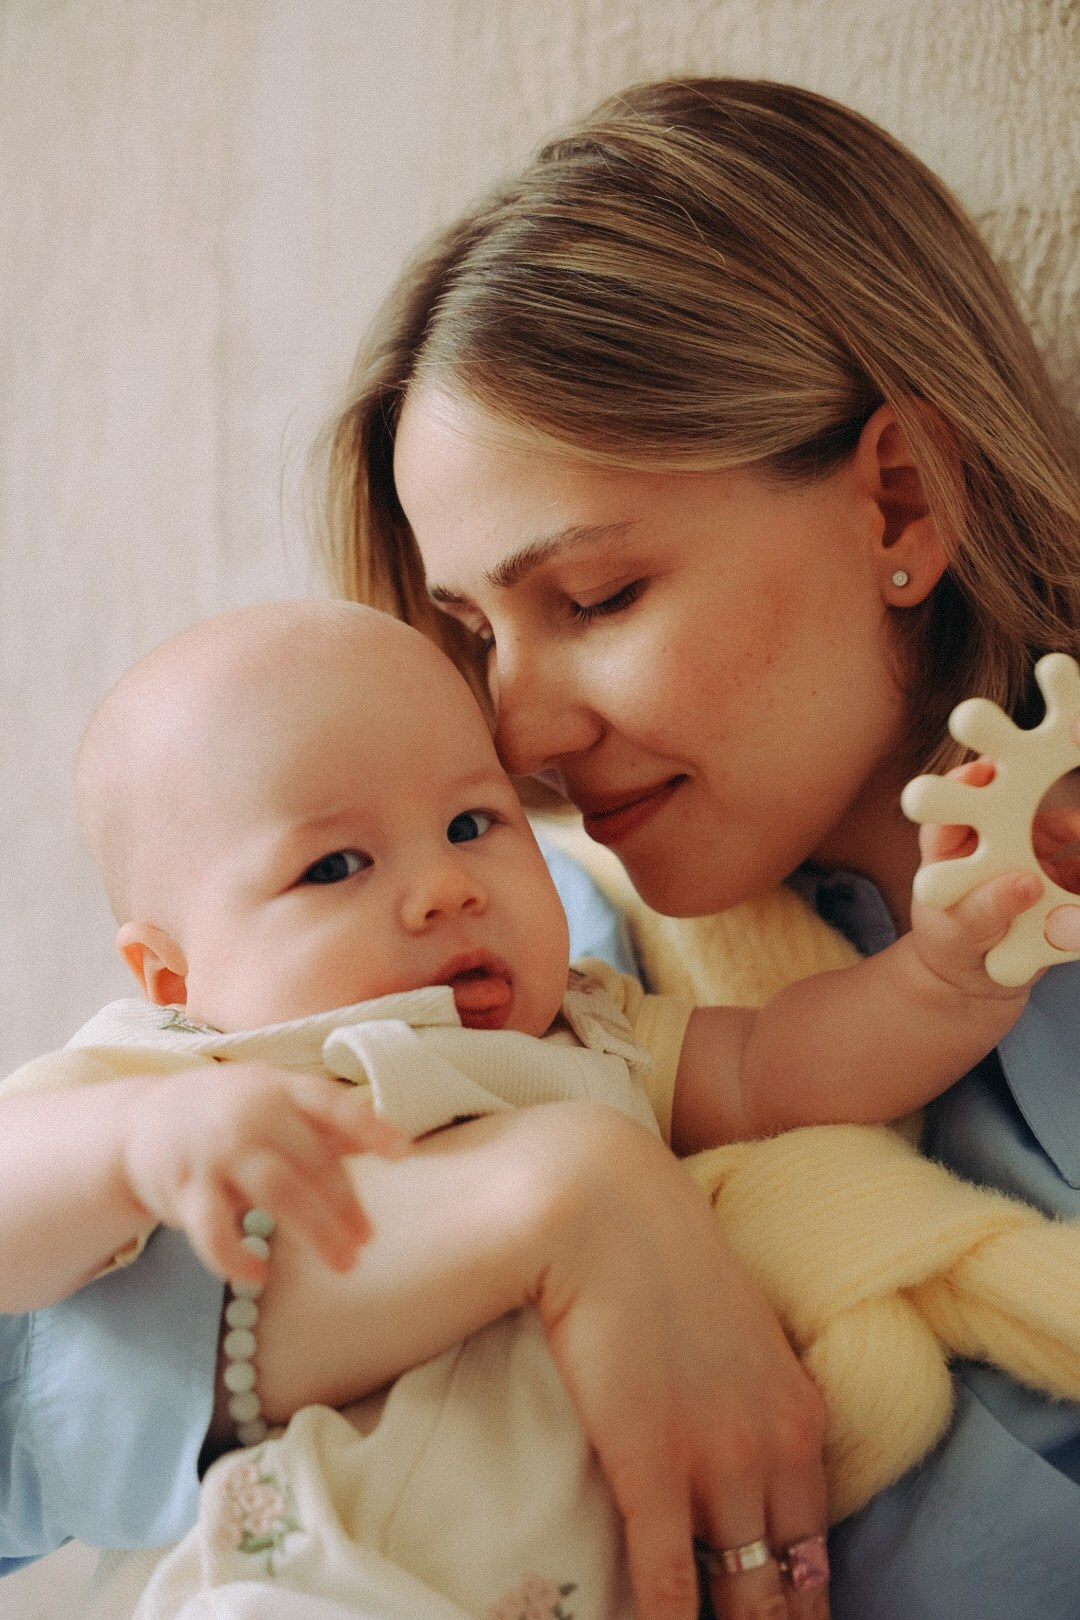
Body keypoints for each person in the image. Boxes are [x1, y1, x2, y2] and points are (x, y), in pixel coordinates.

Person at [319, 76, 1080, 1620]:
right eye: (471, 633)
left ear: (901, 501)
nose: (517, 737)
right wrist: (568, 1195)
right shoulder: (543, 988)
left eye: (595, 600)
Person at [1, 597, 1069, 1620]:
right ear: (171, 978)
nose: (445, 887)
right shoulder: (203, 1071)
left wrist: (944, 981)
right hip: (298, 1579)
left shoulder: (588, 1031)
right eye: (335, 865)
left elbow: (775, 1068)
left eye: (473, 822)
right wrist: (134, 1147)